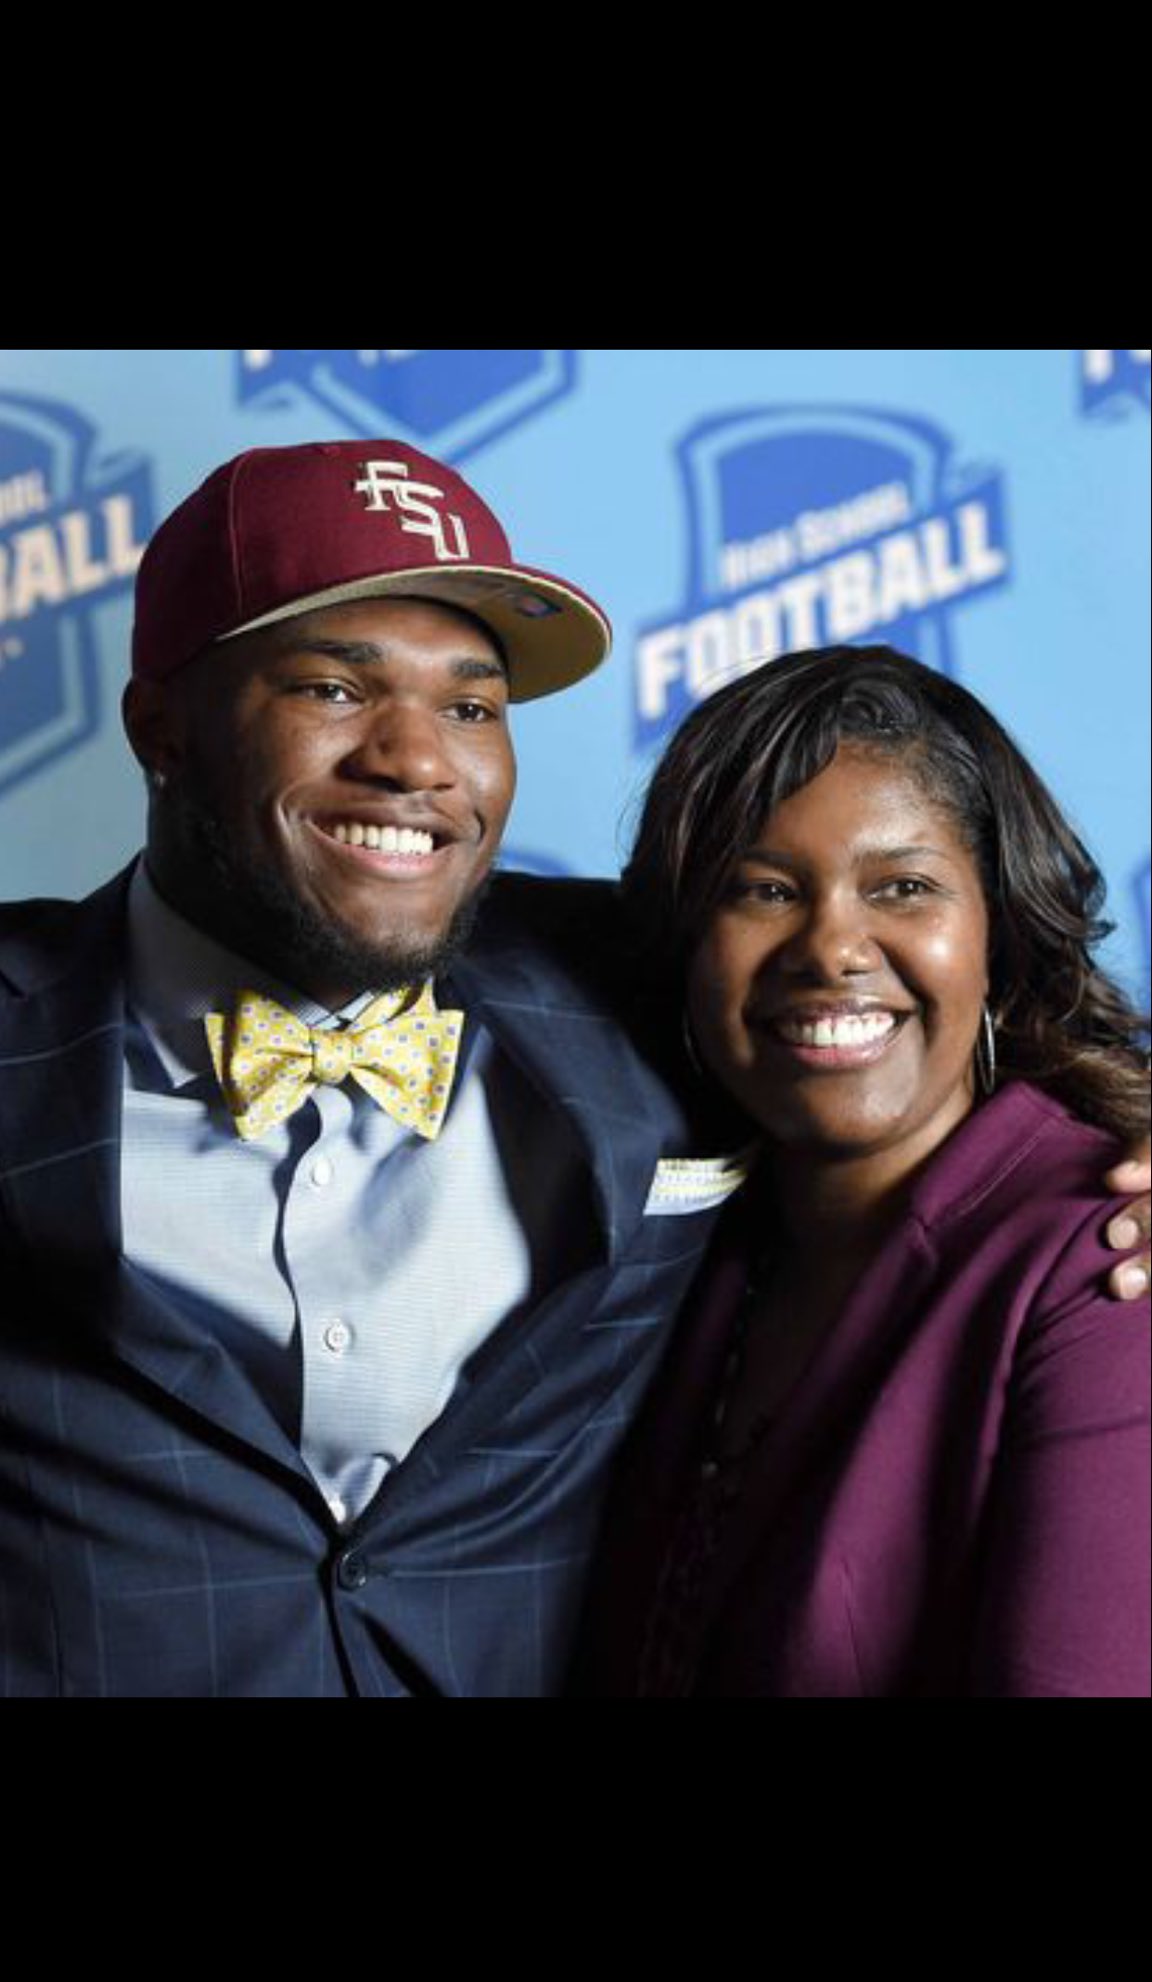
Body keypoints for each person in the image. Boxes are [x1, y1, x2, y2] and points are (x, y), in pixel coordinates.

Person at [0, 445, 1147, 1698]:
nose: (417, 759)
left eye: (473, 705)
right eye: (334, 688)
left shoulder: (628, 995)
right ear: (160, 726)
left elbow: (905, 1023)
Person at [573, 647, 1151, 1698]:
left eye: (905, 886)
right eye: (763, 888)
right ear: (687, 944)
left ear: (998, 936)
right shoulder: (691, 1242)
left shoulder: (1107, 1270)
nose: (833, 944)